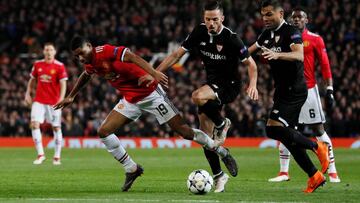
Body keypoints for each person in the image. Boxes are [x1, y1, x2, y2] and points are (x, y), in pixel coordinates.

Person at [54, 36, 238, 192]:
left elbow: (132, 57)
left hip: (151, 94)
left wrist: (154, 73)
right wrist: (71, 96)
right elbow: (86, 75)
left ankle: (221, 151)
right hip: (130, 100)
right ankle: (131, 168)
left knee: (184, 132)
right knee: (103, 131)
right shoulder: (90, 62)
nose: (79, 58)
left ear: (89, 47)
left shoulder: (105, 51)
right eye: (76, 56)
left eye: (81, 53)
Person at [156, 0, 258, 193]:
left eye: (215, 19)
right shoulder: (199, 32)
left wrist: (253, 85)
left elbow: (251, 65)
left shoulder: (231, 38)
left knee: (196, 96)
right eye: (207, 19)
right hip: (211, 86)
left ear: (222, 19)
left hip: (229, 86)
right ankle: (220, 175)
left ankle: (222, 123)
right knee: (204, 136)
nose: (211, 23)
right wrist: (155, 72)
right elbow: (176, 55)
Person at [248, 0, 330, 193]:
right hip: (282, 90)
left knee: (272, 129)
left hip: (295, 89)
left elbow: (299, 55)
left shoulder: (291, 31)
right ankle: (315, 176)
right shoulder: (266, 34)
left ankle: (317, 146)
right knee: (288, 138)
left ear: (281, 14)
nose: (265, 18)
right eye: (263, 15)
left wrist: (278, 55)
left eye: (269, 14)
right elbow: (248, 51)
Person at [268, 7, 340, 183]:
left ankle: (332, 171)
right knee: (284, 130)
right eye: (294, 18)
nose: (297, 20)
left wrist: (329, 90)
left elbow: (325, 65)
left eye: (300, 18)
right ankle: (284, 172)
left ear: (307, 20)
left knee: (318, 129)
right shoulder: (287, 38)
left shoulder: (315, 39)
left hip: (308, 90)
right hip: (288, 91)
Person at [25, 42, 68, 165]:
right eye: (46, 50)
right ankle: (40, 155)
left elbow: (63, 83)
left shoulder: (60, 66)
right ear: (43, 52)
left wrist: (61, 98)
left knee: (56, 127)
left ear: (55, 52)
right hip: (39, 101)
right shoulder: (37, 64)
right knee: (34, 124)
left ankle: (57, 157)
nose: (48, 52)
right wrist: (28, 93)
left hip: (54, 102)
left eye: (51, 50)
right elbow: (32, 80)